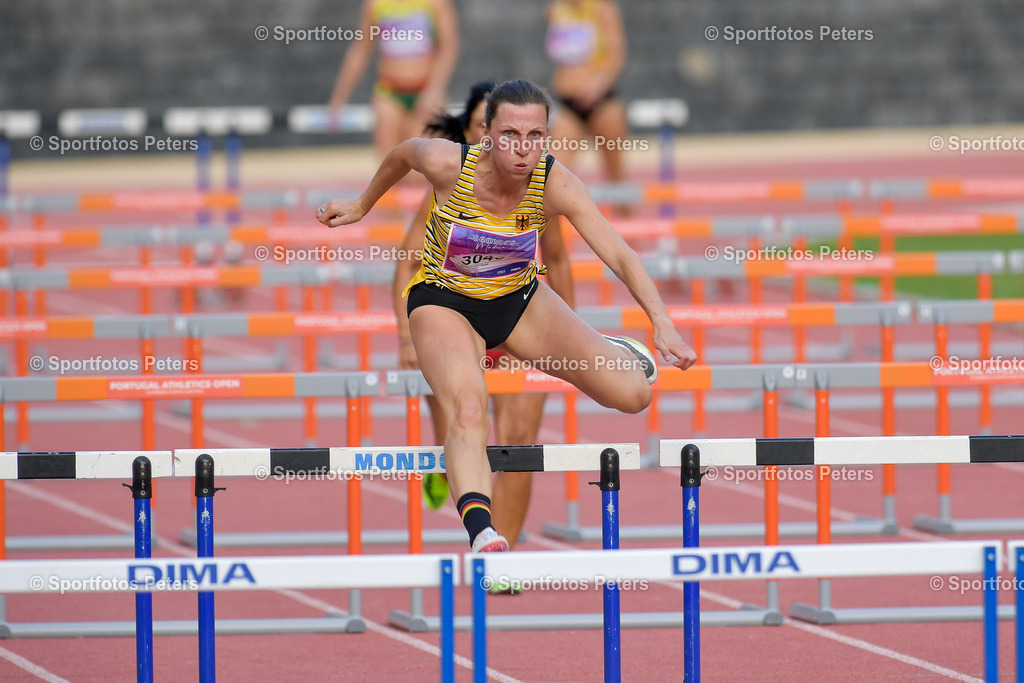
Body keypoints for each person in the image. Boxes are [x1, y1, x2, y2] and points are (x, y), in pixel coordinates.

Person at [319, 80, 696, 554]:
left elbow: (618, 253)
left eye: (535, 136)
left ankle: (619, 350)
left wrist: (661, 321)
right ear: (487, 134)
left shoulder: (554, 182)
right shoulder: (447, 163)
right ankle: (482, 529)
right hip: (444, 300)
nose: (523, 149)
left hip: (518, 301)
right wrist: (360, 205)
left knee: (634, 393)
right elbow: (401, 153)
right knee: (470, 409)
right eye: (511, 135)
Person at [390, 82, 576, 553]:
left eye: (529, 135)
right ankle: (447, 460)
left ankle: (500, 553)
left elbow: (560, 260)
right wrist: (405, 338)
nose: (513, 147)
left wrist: (572, 332)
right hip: (455, 314)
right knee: (465, 414)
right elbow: (409, 260)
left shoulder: (541, 189)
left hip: (516, 320)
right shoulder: (449, 182)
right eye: (485, 131)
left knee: (517, 437)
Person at [327, 0, 459, 158]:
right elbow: (360, 51)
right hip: (390, 90)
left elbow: (448, 47)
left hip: (425, 91)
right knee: (391, 165)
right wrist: (339, 99)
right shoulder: (376, 5)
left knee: (425, 167)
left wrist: (434, 89)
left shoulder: (435, 3)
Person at [545, 0, 629, 191]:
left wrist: (596, 87)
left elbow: (616, 56)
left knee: (616, 177)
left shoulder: (603, 9)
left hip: (602, 101)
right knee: (553, 174)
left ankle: (626, 217)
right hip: (567, 102)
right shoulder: (556, 10)